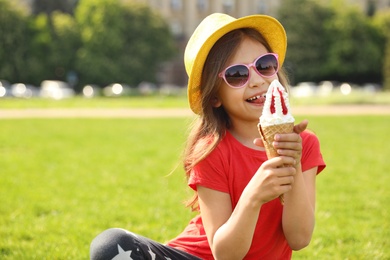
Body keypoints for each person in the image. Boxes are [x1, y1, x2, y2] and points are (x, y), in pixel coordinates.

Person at [90, 13, 326, 260]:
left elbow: (299, 239)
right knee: (111, 246)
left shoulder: (305, 144)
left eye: (264, 65)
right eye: (237, 74)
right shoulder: (211, 151)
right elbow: (224, 254)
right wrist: (253, 196)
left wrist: (293, 164)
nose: (257, 80)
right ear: (214, 96)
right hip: (200, 257)